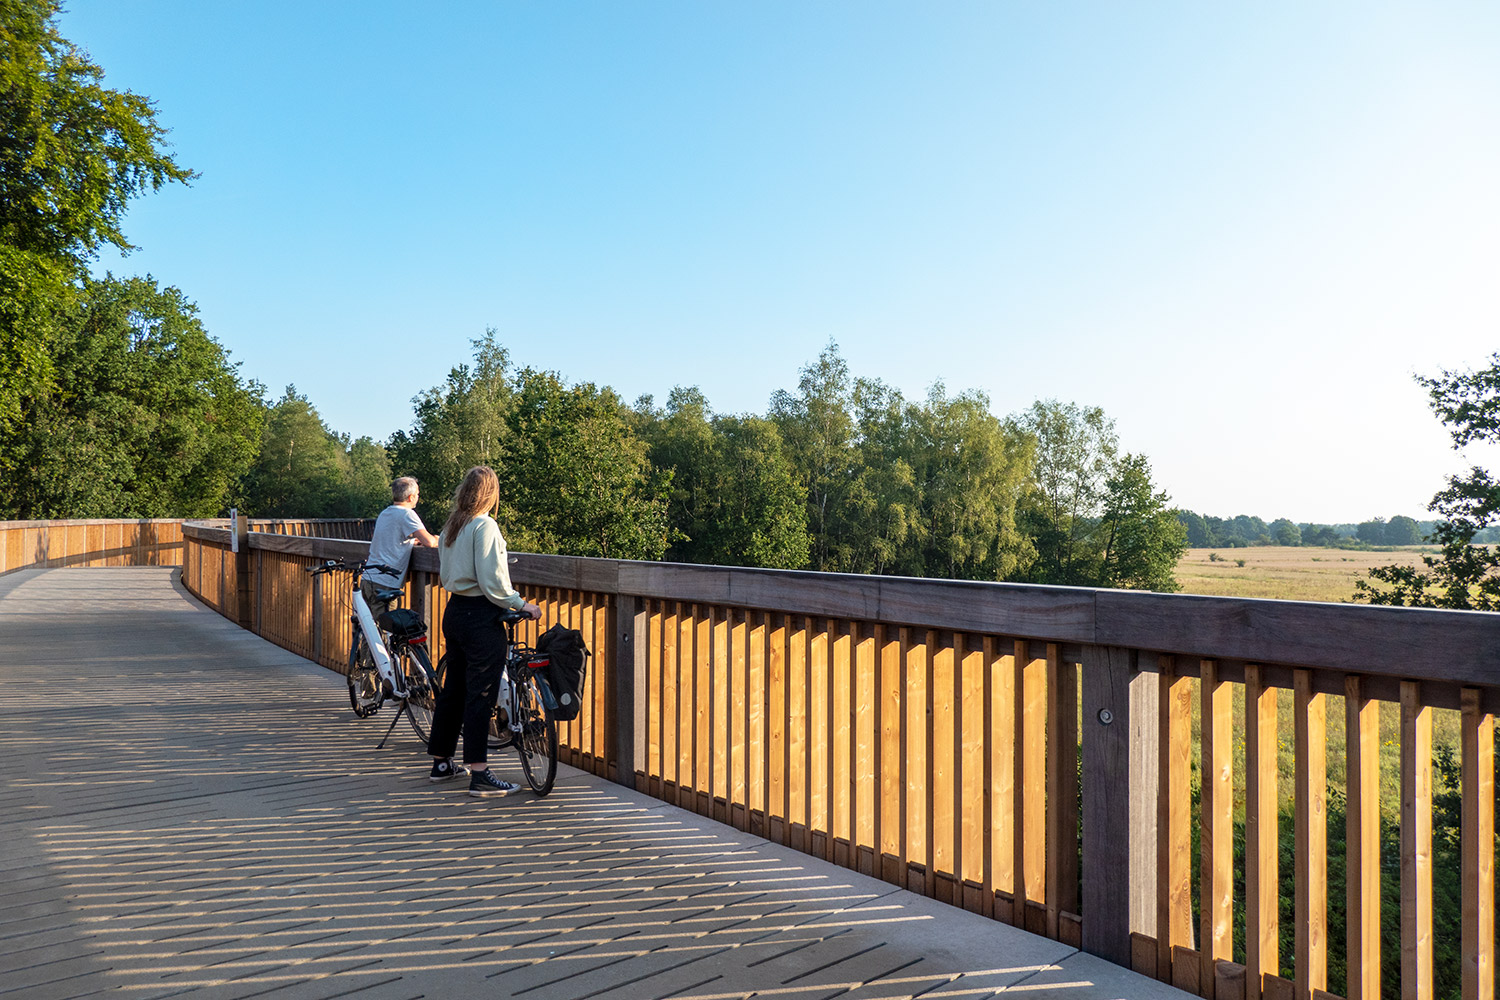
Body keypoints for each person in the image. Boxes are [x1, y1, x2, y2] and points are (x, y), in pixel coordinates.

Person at [426, 465, 542, 796]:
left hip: (455, 611)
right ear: (491, 493)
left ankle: (442, 762)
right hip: (480, 617)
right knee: (480, 694)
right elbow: (493, 581)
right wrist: (522, 604)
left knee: (454, 689)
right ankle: (479, 774)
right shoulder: (484, 525)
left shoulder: (454, 524)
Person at [361, 477, 438, 623]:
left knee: (368, 628)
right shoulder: (407, 514)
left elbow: (392, 538)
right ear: (410, 497)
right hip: (385, 584)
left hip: (368, 579)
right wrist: (438, 539)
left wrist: (411, 541)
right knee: (384, 630)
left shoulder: (385, 513)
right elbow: (429, 542)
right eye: (417, 494)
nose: (418, 497)